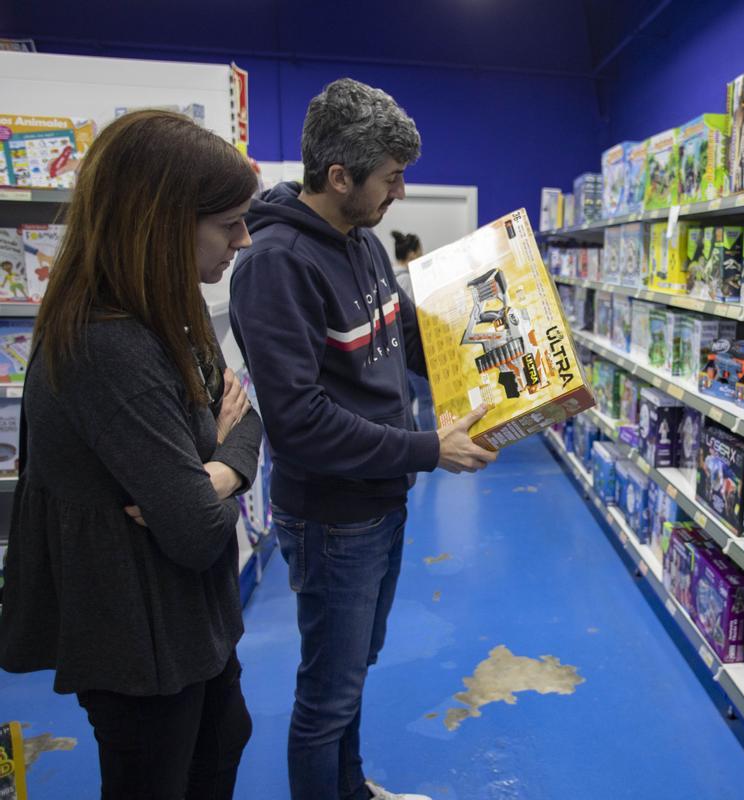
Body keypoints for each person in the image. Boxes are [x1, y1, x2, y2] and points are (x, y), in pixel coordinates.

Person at [229, 78, 496, 800]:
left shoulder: (362, 241)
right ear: (338, 176)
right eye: (391, 177)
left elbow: (409, 334)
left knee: (354, 673)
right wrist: (426, 449)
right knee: (326, 697)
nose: (400, 193)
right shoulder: (275, 264)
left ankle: (352, 791)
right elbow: (299, 422)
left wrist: (507, 364)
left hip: (382, 499)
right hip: (332, 517)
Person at [0, 110, 263, 799]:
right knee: (156, 776)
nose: (244, 238)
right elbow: (198, 531)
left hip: (186, 622)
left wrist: (217, 468)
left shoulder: (167, 314)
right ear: (164, 224)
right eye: (228, 223)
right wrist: (211, 464)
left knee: (222, 741)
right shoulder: (107, 345)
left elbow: (248, 421)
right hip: (137, 634)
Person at [390, 231, 436, 431]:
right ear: (412, 255)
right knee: (426, 400)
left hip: (401, 354)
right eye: (420, 252)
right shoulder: (406, 281)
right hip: (411, 350)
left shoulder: (391, 277)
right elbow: (412, 318)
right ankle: (431, 444)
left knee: (409, 398)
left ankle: (410, 436)